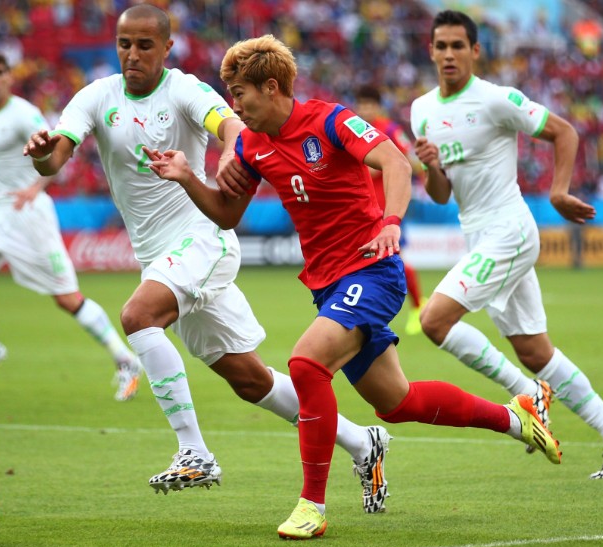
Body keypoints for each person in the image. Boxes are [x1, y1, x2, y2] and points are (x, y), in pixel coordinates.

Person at [145, 33, 561, 541]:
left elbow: (396, 163)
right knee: (397, 402)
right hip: (327, 284)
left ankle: (311, 506)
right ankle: (517, 417)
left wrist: (390, 221)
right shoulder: (252, 145)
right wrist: (188, 178)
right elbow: (228, 216)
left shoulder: (332, 120)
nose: (235, 106)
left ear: (271, 87)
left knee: (305, 363)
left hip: (372, 270)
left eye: (239, 94)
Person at [23, 5, 392, 507]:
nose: (133, 54)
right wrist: (44, 149)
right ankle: (361, 441)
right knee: (249, 379)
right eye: (124, 44)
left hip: (202, 238)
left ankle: (193, 451)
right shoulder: (95, 97)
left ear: (167, 47)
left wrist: (226, 154)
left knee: (138, 316)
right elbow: (56, 157)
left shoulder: (185, 89)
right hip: (157, 256)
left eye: (145, 45)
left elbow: (233, 129)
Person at [410, 10, 603, 480]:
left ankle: (528, 393)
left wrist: (557, 192)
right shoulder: (422, 111)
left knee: (435, 321)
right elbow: (441, 194)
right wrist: (432, 166)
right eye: (442, 46)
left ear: (476, 51)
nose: (449, 54)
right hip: (478, 231)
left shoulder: (496, 100)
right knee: (536, 350)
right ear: (431, 50)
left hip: (509, 229)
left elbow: (565, 131)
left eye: (459, 45)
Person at [0, 50, 143, 402]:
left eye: (0, 72)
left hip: (31, 215)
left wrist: (35, 186)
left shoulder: (24, 114)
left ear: (8, 77)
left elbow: (59, 151)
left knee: (67, 298)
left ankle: (126, 361)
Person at [353, 85, 426, 335]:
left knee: (394, 258)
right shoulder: (353, 130)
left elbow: (411, 163)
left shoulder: (390, 130)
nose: (364, 110)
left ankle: (418, 306)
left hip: (388, 210)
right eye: (361, 104)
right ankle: (368, 314)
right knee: (366, 262)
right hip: (362, 209)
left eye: (369, 104)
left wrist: (383, 168)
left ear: (378, 106)